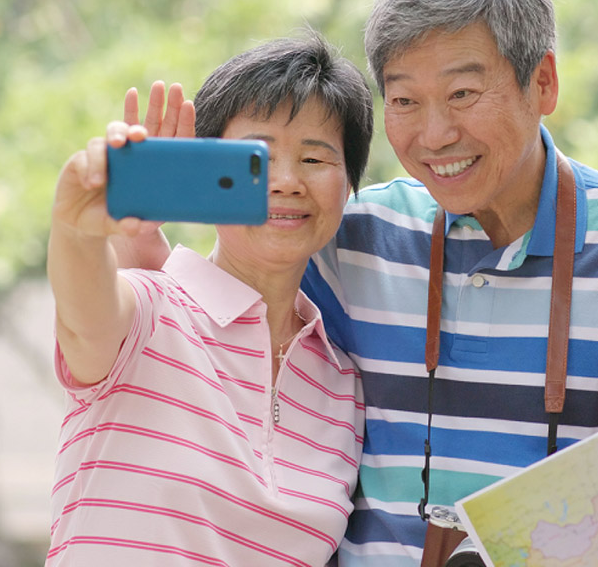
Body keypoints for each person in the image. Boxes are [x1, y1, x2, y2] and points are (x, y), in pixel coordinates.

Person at [121, 0, 598, 566]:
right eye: (403, 101)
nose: (435, 134)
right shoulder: (352, 236)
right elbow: (206, 328)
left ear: (544, 82)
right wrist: (138, 236)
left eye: (462, 94)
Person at [46, 33, 374, 565]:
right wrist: (79, 229)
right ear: (206, 170)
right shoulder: (150, 309)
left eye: (315, 158)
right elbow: (85, 318)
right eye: (256, 158)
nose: (287, 181)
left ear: (349, 186)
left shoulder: (343, 385)